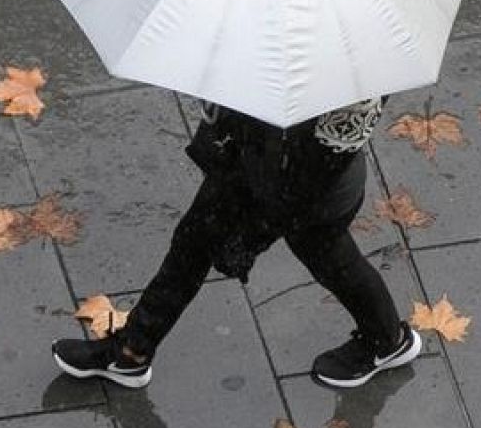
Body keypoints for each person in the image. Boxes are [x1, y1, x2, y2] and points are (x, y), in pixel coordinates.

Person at [51, 96, 421, 390]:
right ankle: (132, 352)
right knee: (193, 241)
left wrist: (253, 231)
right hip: (254, 158)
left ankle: (387, 341)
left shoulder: (352, 66)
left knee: (333, 263)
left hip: (311, 191)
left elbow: (321, 161)